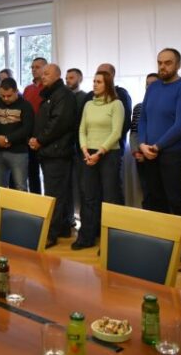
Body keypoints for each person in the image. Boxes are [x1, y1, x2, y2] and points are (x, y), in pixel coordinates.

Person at [138, 48, 181, 271]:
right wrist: (142, 144)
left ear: (178, 65)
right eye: (160, 62)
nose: (163, 66)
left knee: (176, 201)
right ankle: (161, 247)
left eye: (168, 63)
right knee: (155, 200)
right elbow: (143, 118)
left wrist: (158, 145)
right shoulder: (153, 88)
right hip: (149, 152)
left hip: (174, 153)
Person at [73, 70, 125, 250]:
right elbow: (82, 130)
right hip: (88, 154)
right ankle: (86, 237)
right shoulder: (88, 104)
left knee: (110, 199)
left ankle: (112, 243)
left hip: (108, 154)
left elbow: (116, 133)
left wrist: (100, 152)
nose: (94, 84)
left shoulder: (116, 104)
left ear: (108, 84)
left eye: (99, 82)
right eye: (94, 81)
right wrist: (85, 150)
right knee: (89, 197)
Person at [29, 63, 76, 248]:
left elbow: (58, 123)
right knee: (58, 192)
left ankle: (50, 233)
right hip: (50, 151)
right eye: (42, 73)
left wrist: (40, 140)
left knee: (54, 194)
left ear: (57, 75)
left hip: (57, 151)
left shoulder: (63, 94)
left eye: (47, 73)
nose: (43, 76)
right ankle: (62, 227)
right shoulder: (50, 94)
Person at [83, 63, 132, 203]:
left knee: (111, 193)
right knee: (91, 193)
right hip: (90, 151)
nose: (97, 82)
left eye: (104, 74)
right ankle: (95, 219)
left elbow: (122, 126)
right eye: (96, 77)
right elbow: (82, 127)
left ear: (111, 77)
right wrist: (85, 149)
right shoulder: (89, 99)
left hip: (111, 150)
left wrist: (103, 148)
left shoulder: (120, 96)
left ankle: (114, 218)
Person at [0, 77, 34, 194]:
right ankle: (1, 207)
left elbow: (27, 128)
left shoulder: (26, 105)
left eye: (9, 96)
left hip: (18, 152)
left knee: (20, 187)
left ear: (16, 91)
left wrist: (7, 139)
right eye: (3, 96)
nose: (6, 99)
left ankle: (20, 208)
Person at [130, 73, 159, 204]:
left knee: (161, 194)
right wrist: (137, 152)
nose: (149, 86)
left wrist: (152, 152)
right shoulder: (138, 107)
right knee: (146, 192)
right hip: (141, 155)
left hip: (159, 155)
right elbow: (134, 131)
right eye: (147, 84)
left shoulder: (167, 106)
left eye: (153, 83)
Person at [65, 68, 86, 230]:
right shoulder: (64, 96)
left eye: (71, 78)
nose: (68, 80)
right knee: (67, 185)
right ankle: (69, 218)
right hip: (65, 147)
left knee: (82, 186)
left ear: (80, 79)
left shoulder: (85, 97)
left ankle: (84, 221)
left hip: (81, 148)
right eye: (66, 78)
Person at [23, 57, 47, 194]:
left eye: (37, 67)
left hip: (45, 137)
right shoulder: (28, 89)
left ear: (45, 68)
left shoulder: (49, 88)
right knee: (32, 174)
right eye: (32, 67)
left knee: (48, 175)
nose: (33, 70)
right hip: (29, 137)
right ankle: (35, 202)